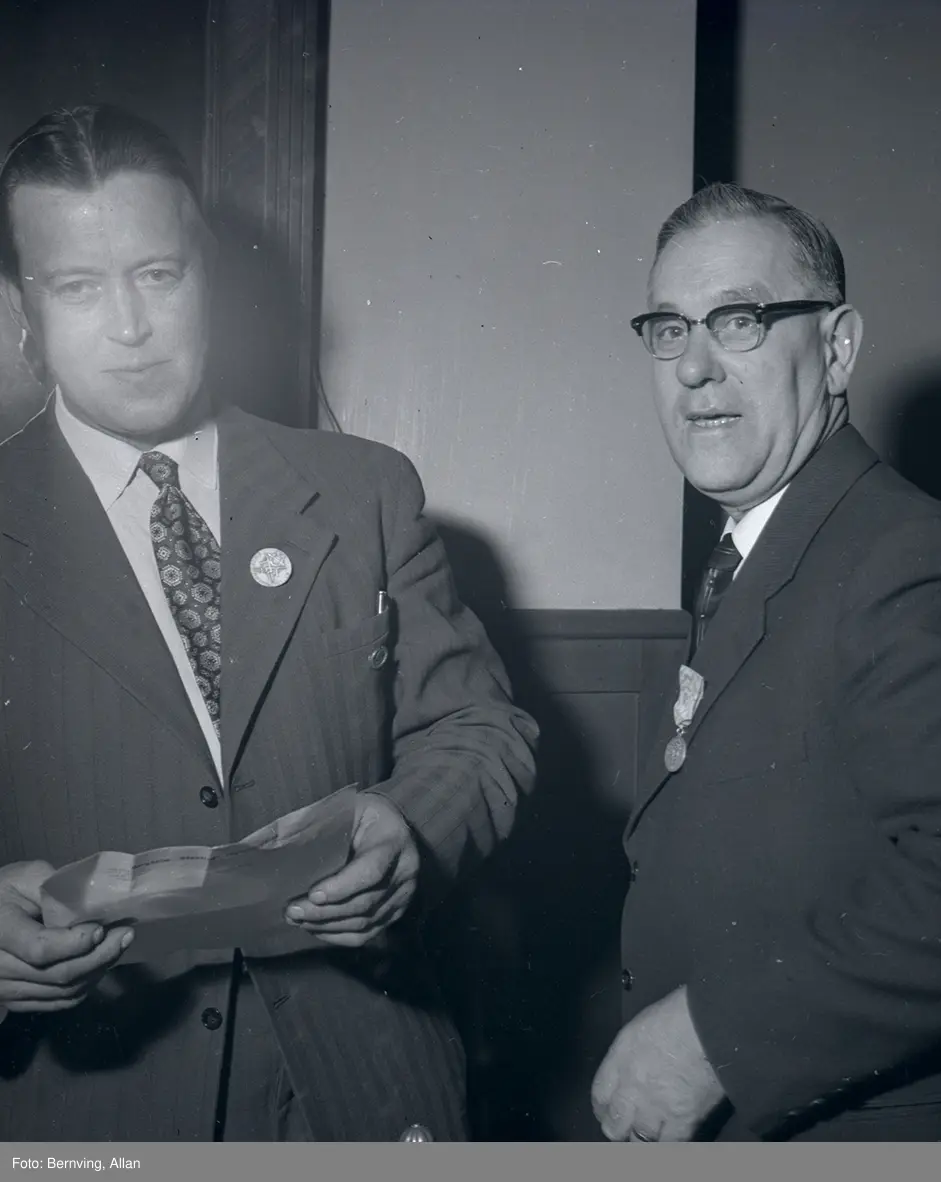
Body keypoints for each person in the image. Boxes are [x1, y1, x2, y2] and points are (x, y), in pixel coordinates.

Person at [0, 104, 538, 1142]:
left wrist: (411, 829)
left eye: (158, 274)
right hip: (96, 1112)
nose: (130, 326)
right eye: (78, 287)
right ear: (25, 311)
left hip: (363, 1091)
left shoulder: (364, 490)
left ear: (207, 275)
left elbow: (478, 727)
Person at [591, 183, 941, 1142]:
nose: (692, 366)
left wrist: (711, 1041)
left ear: (836, 348)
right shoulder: (769, 544)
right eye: (668, 328)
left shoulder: (912, 556)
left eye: (737, 321)